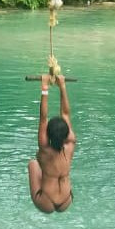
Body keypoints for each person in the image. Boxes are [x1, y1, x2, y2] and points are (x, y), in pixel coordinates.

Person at [28, 73, 76, 213]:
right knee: (48, 164)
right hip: (67, 200)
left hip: (46, 202)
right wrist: (62, 86)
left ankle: (46, 171)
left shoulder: (44, 148)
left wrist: (44, 87)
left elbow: (43, 118)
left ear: (48, 134)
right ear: (66, 134)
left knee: (34, 163)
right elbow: (66, 114)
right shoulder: (71, 144)